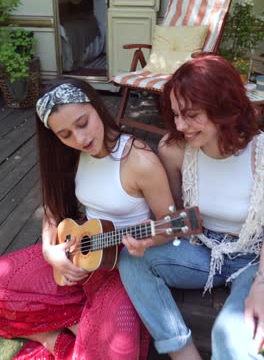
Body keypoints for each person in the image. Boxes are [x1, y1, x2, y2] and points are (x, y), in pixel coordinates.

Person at [0, 77, 175, 360]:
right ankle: (63, 328)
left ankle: (57, 331)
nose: (80, 139)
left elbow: (170, 226)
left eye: (83, 123)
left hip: (125, 265)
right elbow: (52, 208)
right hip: (78, 252)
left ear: (97, 107)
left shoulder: (139, 160)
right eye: (65, 134)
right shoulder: (71, 155)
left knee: (117, 352)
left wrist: (147, 242)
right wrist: (49, 251)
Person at [118, 54, 264, 360]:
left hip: (254, 260)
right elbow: (178, 221)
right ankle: (181, 351)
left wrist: (261, 287)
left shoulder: (259, 153)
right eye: (175, 115)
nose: (181, 125)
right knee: (133, 261)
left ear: (224, 108)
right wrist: (152, 238)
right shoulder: (174, 151)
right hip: (204, 250)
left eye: (191, 115)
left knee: (232, 340)